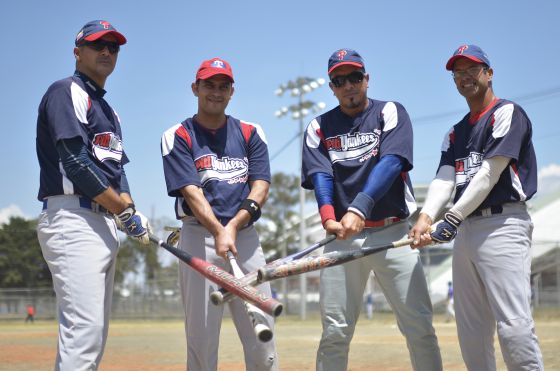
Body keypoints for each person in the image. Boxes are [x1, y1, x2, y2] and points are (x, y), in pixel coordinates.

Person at [301, 48, 442, 371]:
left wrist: (358, 208)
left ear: (367, 79)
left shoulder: (389, 112)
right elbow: (321, 175)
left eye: (354, 77)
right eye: (340, 80)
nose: (348, 84)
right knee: (335, 331)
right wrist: (328, 219)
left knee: (419, 327)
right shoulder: (319, 127)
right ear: (331, 86)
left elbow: (391, 162)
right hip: (343, 237)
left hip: (393, 233)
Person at [409, 44, 544, 370]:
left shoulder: (506, 113)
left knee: (512, 325)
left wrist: (451, 218)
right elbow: (444, 179)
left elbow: (490, 173)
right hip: (467, 229)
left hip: (503, 224)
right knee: (471, 331)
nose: (465, 76)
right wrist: (426, 217)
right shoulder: (455, 133)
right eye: (458, 72)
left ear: (489, 73)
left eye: (472, 69)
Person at [36, 20, 150, 370]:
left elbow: (117, 168)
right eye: (97, 45)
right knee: (83, 333)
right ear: (77, 52)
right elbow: (74, 161)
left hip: (101, 222)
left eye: (113, 47)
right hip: (72, 218)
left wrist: (129, 207)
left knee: (93, 336)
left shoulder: (109, 111)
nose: (106, 52)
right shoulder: (65, 90)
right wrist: (122, 211)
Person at [161, 57, 277, 371]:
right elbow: (191, 192)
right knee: (202, 339)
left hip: (245, 238)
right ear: (195, 88)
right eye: (209, 85)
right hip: (200, 236)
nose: (216, 91)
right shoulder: (178, 135)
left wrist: (234, 225)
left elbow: (261, 186)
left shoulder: (252, 132)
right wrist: (218, 229)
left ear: (231, 91)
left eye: (223, 86)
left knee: (262, 339)